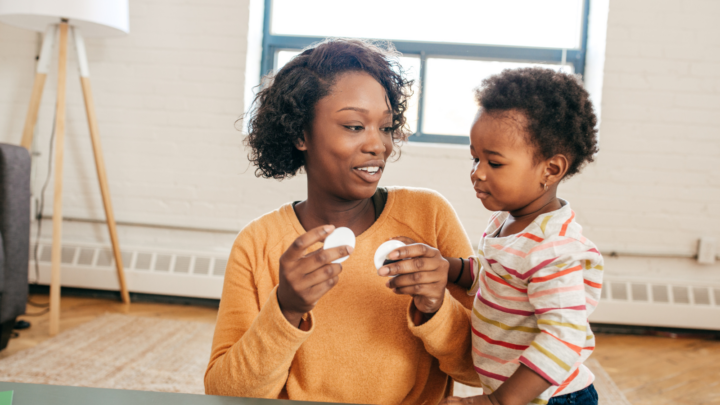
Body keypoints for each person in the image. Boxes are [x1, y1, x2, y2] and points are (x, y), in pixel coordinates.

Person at [204, 38, 480, 404]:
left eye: (385, 127)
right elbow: (226, 394)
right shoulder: (258, 243)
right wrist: (285, 310)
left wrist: (436, 309)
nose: (378, 145)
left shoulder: (428, 216)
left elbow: (481, 371)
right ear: (301, 134)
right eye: (354, 126)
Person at [385, 68, 602, 405]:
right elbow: (494, 274)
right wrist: (449, 267)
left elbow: (565, 338)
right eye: (475, 157)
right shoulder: (509, 222)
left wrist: (498, 401)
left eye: (495, 163)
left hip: (549, 398)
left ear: (551, 169)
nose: (477, 173)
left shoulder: (554, 248)